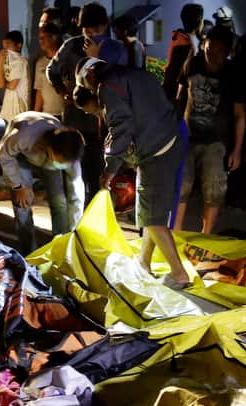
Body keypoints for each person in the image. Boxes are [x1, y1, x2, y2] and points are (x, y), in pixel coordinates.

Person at [75, 58, 190, 289]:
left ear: (89, 75)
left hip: (156, 150)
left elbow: (122, 127)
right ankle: (143, 262)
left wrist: (110, 169)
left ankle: (179, 274)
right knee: (149, 211)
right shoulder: (132, 74)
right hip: (171, 139)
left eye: (88, 85)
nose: (92, 91)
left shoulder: (107, 86)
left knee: (152, 217)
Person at [46, 2, 124, 197]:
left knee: (98, 175)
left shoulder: (117, 49)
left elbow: (121, 82)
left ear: (105, 26)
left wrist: (95, 58)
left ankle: (94, 210)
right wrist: (62, 91)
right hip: (74, 121)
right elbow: (51, 70)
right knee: (73, 176)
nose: (92, 34)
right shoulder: (71, 46)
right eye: (87, 30)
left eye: (96, 30)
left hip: (102, 123)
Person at [175, 25, 245, 234]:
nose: (212, 54)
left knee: (214, 191)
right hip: (186, 137)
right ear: (203, 45)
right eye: (209, 48)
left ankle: (205, 237)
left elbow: (240, 115)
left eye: (218, 51)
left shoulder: (233, 74)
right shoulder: (193, 64)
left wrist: (237, 150)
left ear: (227, 51)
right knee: (180, 187)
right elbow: (179, 98)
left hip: (216, 142)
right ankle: (175, 235)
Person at [0, 112, 86, 250]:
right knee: (22, 203)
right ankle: (28, 250)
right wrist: (18, 186)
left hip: (47, 158)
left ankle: (60, 246)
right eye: (59, 161)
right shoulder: (23, 136)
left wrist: (73, 232)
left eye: (64, 164)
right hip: (19, 156)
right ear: (50, 147)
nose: (61, 165)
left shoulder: (71, 155)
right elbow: (4, 156)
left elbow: (76, 196)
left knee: (59, 202)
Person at [164, 4, 204, 102]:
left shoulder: (178, 37)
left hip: (169, 88)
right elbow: (182, 73)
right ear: (199, 21)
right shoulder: (188, 44)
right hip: (178, 94)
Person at [0, 30, 29, 123]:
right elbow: (0, 84)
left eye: (8, 44)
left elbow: (12, 86)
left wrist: (5, 84)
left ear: (19, 45)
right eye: (4, 45)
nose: (5, 48)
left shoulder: (20, 61)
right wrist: (0, 61)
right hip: (7, 108)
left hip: (18, 108)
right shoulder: (7, 61)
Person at [34, 26, 65, 116]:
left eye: (44, 37)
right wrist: (35, 114)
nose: (41, 41)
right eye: (40, 38)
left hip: (65, 114)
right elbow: (39, 90)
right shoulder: (40, 63)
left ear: (54, 38)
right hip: (47, 114)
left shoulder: (65, 60)